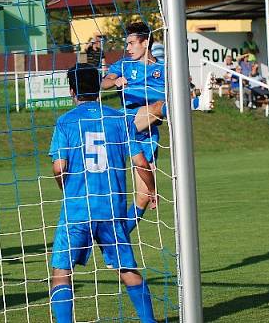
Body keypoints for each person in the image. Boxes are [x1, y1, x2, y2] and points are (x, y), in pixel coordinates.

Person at [48, 63, 156, 323]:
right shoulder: (119, 119)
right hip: (111, 208)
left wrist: (66, 185)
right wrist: (151, 190)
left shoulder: (65, 122)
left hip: (77, 208)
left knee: (62, 271)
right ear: (98, 87)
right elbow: (140, 162)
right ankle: (149, 321)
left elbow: (59, 167)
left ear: (72, 90)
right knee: (126, 268)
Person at [101, 21, 164, 234]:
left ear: (145, 43)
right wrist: (115, 80)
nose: (127, 48)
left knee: (144, 196)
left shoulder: (163, 69)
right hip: (127, 120)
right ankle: (195, 105)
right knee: (160, 106)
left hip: (148, 132)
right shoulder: (123, 65)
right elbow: (104, 82)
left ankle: (118, 237)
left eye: (131, 43)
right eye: (126, 44)